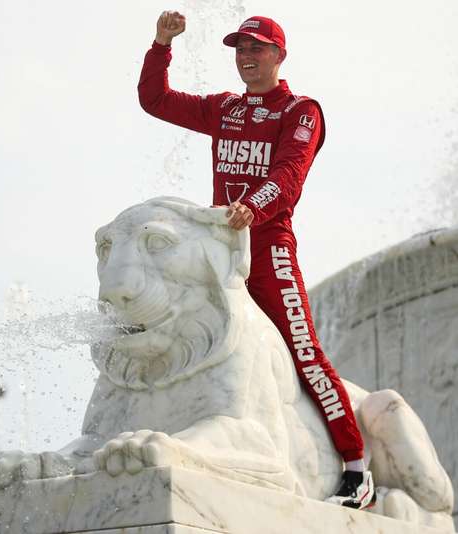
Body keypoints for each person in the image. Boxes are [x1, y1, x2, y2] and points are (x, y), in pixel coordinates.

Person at [138, 12, 376, 509]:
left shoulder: (301, 110)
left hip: (269, 249)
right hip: (223, 248)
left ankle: (356, 470)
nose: (246, 57)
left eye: (257, 49)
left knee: (304, 352)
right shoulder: (224, 108)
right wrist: (161, 45)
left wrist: (255, 205)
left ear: (279, 55)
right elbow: (154, 100)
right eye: (240, 49)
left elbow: (291, 172)